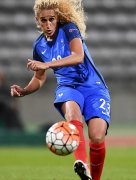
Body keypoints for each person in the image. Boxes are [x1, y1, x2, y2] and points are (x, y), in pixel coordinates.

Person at [10, 0, 110, 179]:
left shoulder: (69, 29)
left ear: (57, 18)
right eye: (43, 20)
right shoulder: (39, 45)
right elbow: (39, 78)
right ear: (37, 20)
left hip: (93, 87)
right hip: (68, 87)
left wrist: (46, 64)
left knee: (96, 136)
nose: (48, 24)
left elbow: (78, 57)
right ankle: (81, 163)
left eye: (51, 19)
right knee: (72, 114)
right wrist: (24, 91)